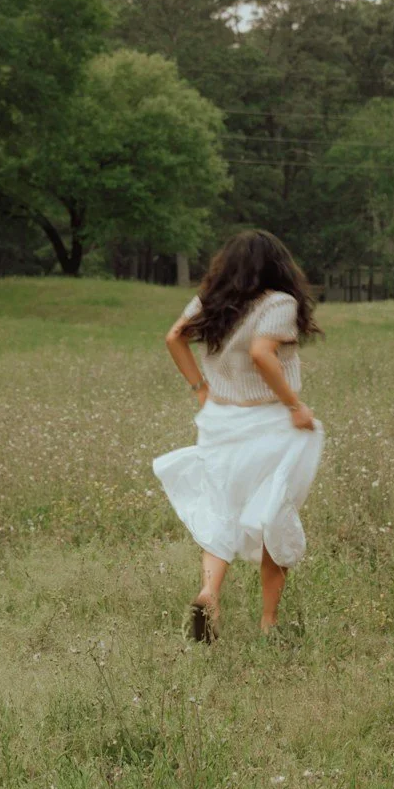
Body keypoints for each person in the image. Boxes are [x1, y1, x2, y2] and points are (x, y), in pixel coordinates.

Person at [155, 230, 324, 642]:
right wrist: (294, 406)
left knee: (222, 509)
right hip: (268, 422)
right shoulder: (279, 302)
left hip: (220, 421)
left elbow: (174, 337)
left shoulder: (210, 300)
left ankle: (209, 593)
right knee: (275, 512)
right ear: (277, 265)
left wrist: (201, 389)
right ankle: (269, 623)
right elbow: (261, 353)